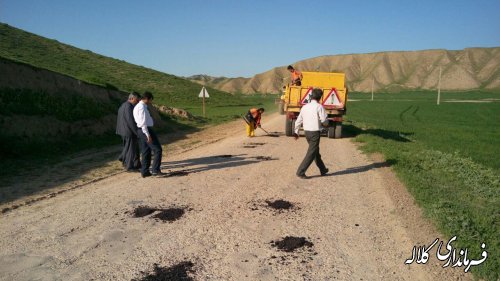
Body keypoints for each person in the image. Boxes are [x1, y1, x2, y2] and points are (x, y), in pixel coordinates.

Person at [294, 88, 329, 179]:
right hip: (314, 133)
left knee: (315, 152)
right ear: (320, 97)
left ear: (311, 96)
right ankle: (300, 172)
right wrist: (326, 124)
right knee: (311, 153)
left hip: (307, 133)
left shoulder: (304, 107)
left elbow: (298, 120)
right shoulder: (319, 107)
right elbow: (324, 121)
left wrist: (296, 132)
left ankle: (323, 169)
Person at [133, 91, 163, 177]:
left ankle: (145, 171)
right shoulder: (142, 107)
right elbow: (143, 123)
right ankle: (155, 170)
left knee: (146, 151)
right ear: (146, 99)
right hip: (145, 130)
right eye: (150, 100)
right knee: (157, 149)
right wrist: (148, 135)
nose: (151, 102)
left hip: (141, 130)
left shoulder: (138, 106)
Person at [116, 92, 141, 172]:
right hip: (128, 131)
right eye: (137, 100)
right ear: (132, 98)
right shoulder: (129, 107)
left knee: (127, 147)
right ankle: (129, 167)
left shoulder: (123, 105)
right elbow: (131, 121)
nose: (137, 102)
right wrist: (137, 132)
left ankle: (124, 160)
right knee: (131, 149)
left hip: (122, 130)